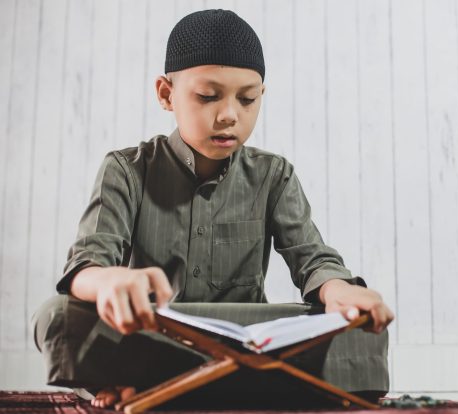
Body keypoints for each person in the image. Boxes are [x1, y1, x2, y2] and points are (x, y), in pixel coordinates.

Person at [32, 9, 394, 409]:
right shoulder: (128, 169)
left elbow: (313, 259)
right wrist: (107, 282)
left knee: (359, 327)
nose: (229, 115)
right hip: (154, 334)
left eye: (247, 99)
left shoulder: (274, 175)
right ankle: (247, 385)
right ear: (166, 94)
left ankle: (154, 386)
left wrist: (339, 290)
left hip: (251, 336)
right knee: (59, 315)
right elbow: (86, 265)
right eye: (208, 96)